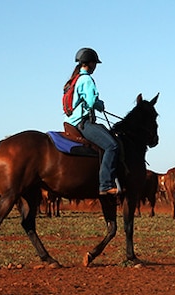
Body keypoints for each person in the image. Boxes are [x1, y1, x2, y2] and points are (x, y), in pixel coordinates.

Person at [64, 47, 119, 195]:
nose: (95, 67)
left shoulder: (73, 80)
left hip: (70, 122)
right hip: (82, 123)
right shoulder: (86, 79)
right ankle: (106, 184)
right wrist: (100, 105)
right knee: (112, 146)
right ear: (90, 63)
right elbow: (91, 101)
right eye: (95, 63)